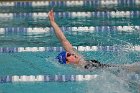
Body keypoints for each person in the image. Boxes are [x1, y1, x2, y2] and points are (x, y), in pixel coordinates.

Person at [48, 9, 140, 71]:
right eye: (69, 55)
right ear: (67, 62)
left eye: (69, 53)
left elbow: (63, 40)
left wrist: (52, 22)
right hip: (112, 71)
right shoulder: (81, 68)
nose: (72, 53)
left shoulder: (80, 60)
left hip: (113, 68)